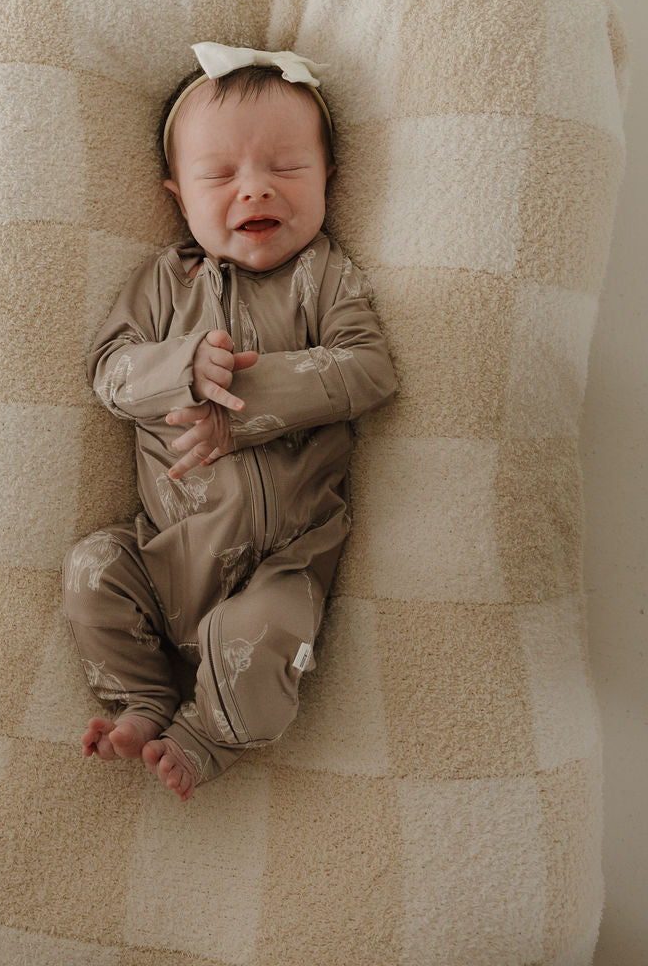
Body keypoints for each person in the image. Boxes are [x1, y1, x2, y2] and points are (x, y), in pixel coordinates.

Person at [62, 42, 398, 801]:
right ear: (178, 195)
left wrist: (245, 412)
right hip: (163, 552)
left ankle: (210, 733)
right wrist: (180, 368)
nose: (255, 191)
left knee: (260, 639)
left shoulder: (323, 276)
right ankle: (143, 696)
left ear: (328, 183)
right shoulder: (162, 282)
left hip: (283, 565)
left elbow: (369, 367)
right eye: (221, 176)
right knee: (90, 569)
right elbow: (109, 371)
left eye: (286, 169)